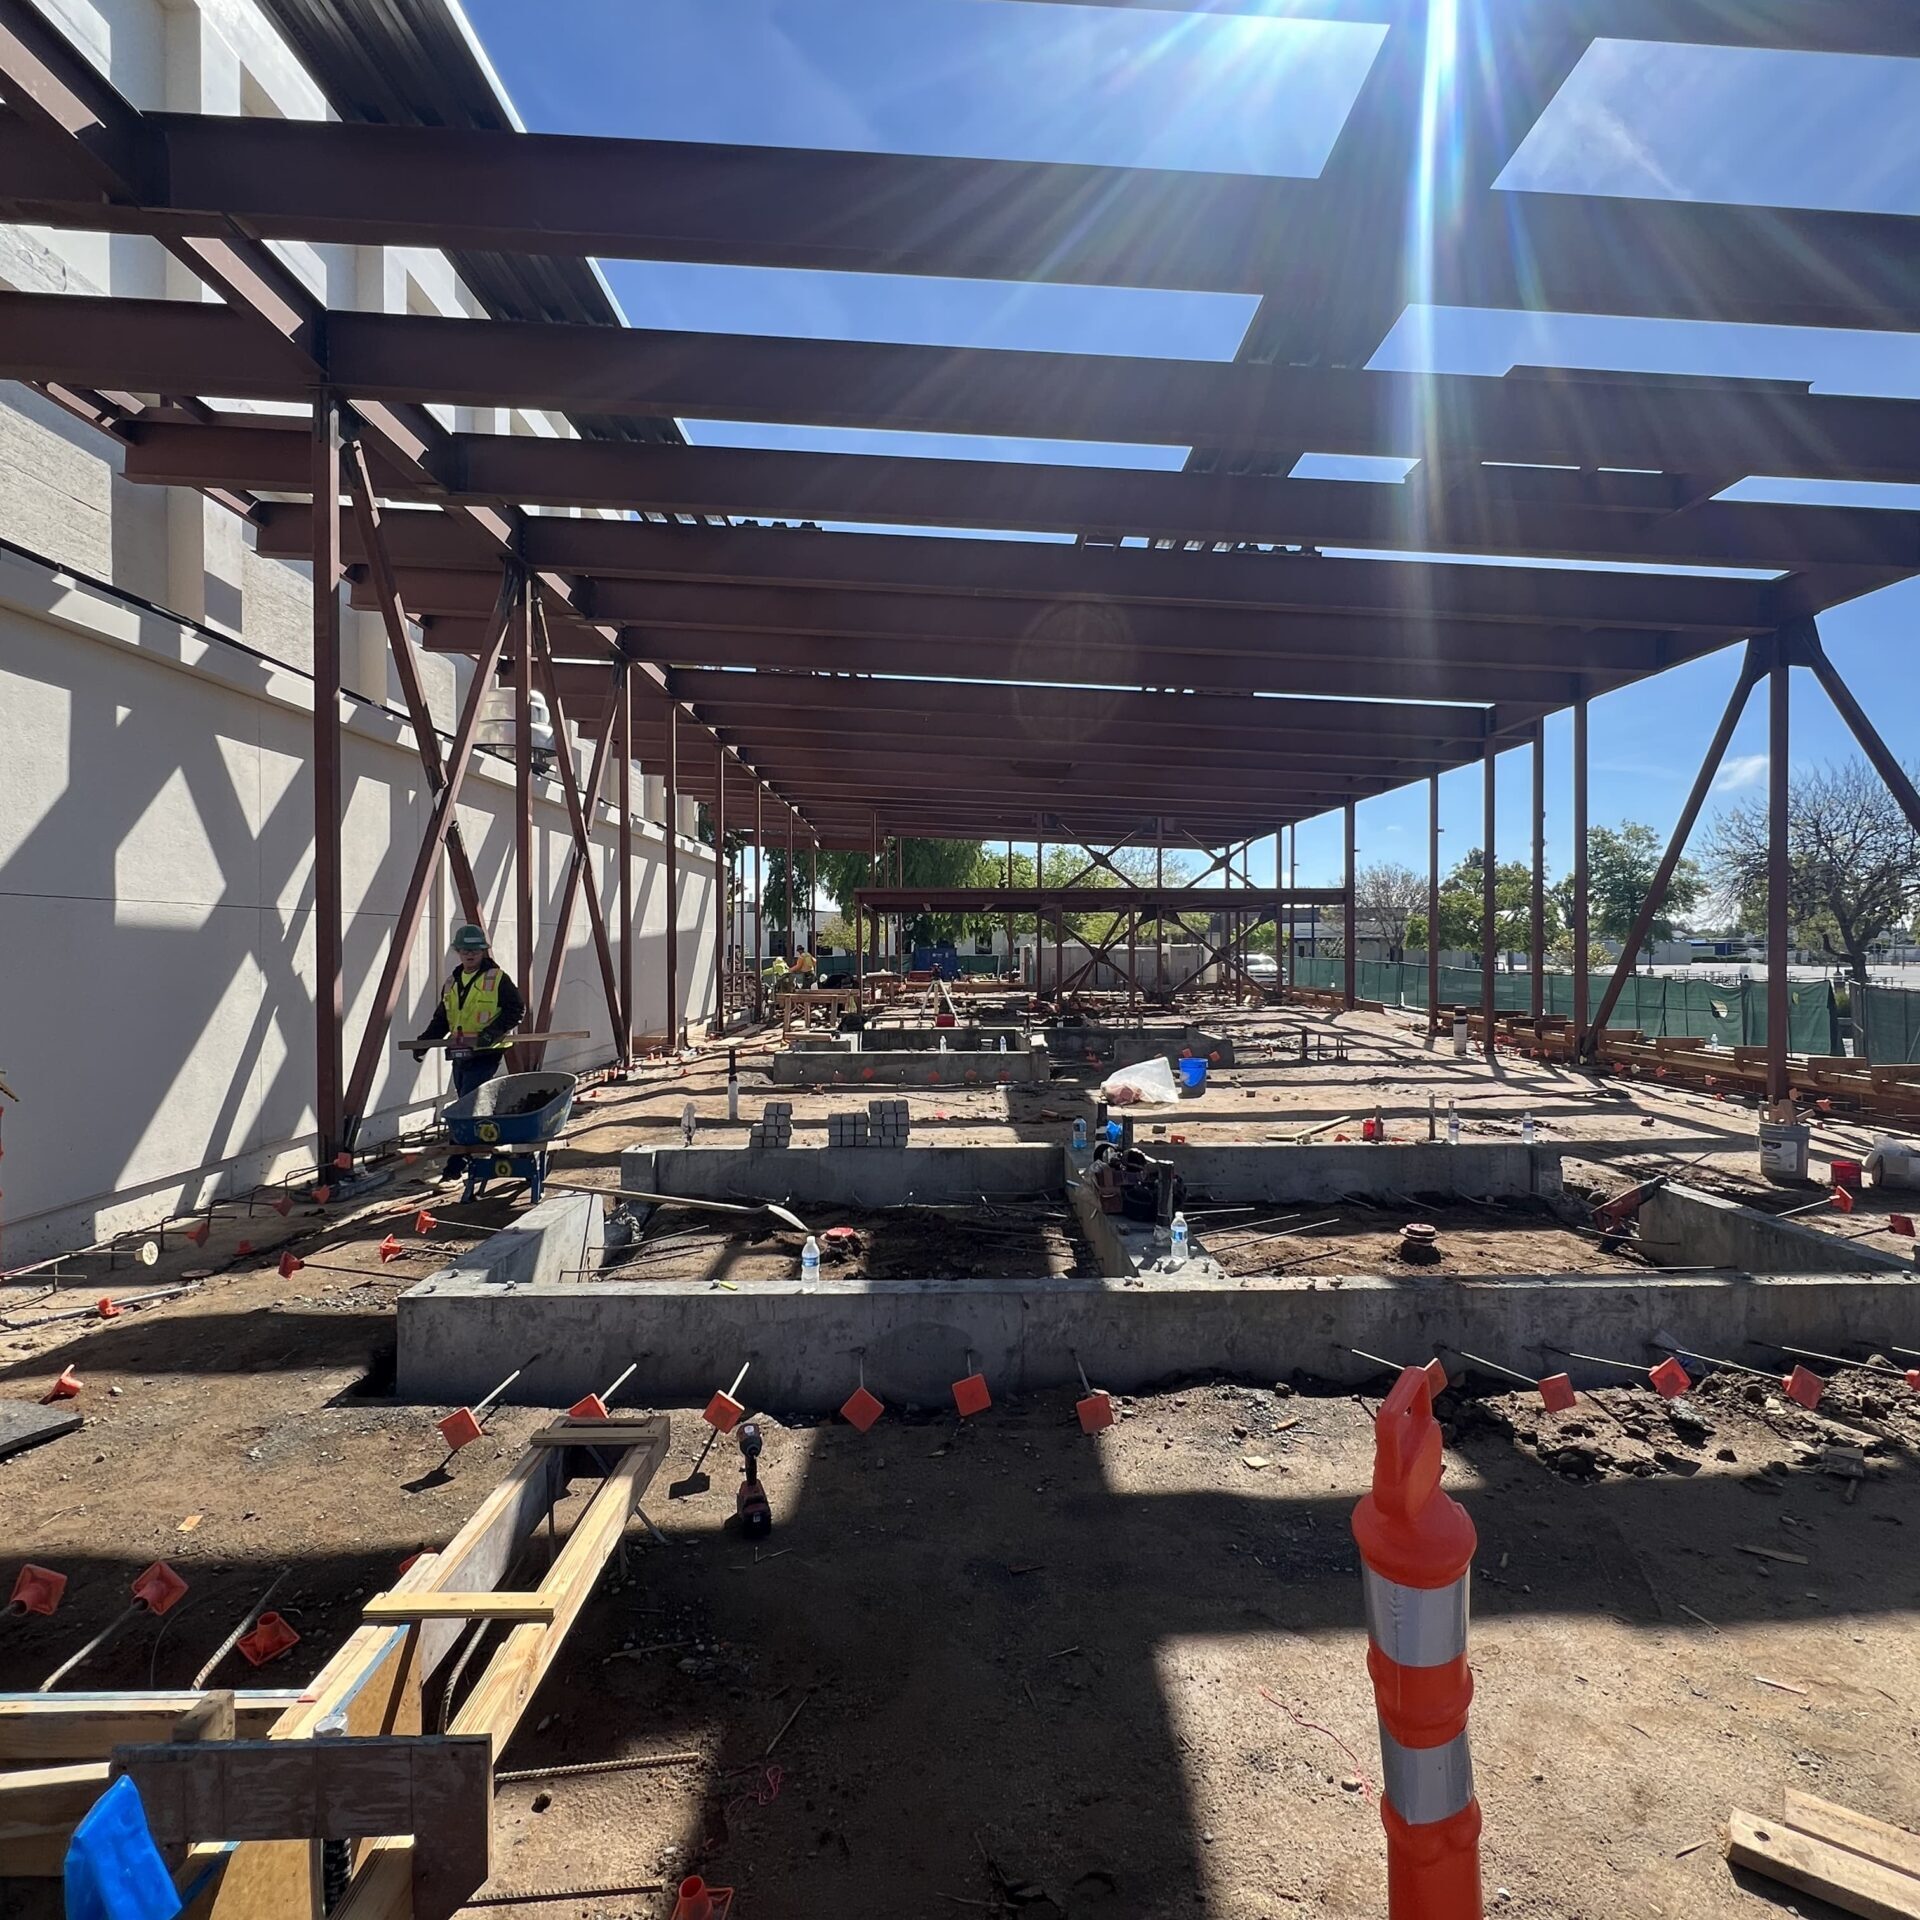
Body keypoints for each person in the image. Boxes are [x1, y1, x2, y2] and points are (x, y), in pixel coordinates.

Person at [412, 925, 524, 1179]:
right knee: (469, 1100)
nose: (469, 955)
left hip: (486, 1051)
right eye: (464, 950)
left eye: (474, 950)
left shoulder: (497, 978)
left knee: (468, 1104)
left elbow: (516, 1009)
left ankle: (457, 1163)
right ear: (458, 952)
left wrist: (490, 1033)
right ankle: (496, 1147)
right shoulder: (452, 982)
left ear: (483, 951)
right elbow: (442, 1018)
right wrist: (425, 1042)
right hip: (461, 1052)